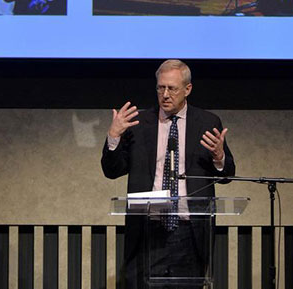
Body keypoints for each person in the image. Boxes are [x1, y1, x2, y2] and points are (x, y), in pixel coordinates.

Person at [101, 59, 236, 289]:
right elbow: (112, 171)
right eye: (160, 87)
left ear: (187, 89)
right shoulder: (139, 123)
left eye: (171, 88)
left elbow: (226, 174)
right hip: (147, 231)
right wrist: (113, 137)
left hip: (189, 233)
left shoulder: (207, 122)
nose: (165, 94)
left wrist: (219, 157)